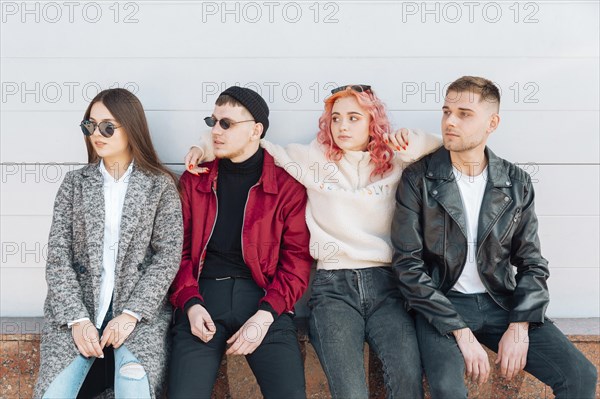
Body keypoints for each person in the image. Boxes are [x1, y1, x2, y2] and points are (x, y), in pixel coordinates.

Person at [185, 84, 442, 398]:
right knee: (350, 392)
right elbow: (250, 143)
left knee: (406, 381)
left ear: (372, 122)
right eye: (335, 118)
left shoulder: (396, 161)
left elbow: (451, 146)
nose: (342, 126)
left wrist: (412, 140)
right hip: (333, 285)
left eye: (353, 118)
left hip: (387, 284)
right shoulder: (311, 159)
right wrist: (203, 147)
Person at [391, 75, 598, 398]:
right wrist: (460, 331)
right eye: (446, 112)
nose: (450, 121)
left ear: (492, 123)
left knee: (581, 376)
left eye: (464, 113)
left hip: (500, 301)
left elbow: (531, 262)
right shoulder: (419, 179)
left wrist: (520, 325)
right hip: (441, 304)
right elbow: (407, 265)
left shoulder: (516, 182)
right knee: (448, 389)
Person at [34, 88, 183, 398]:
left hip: (139, 319)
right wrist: (77, 319)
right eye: (90, 125)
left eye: (107, 126)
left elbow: (167, 256)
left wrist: (131, 314)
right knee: (53, 394)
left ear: (131, 128)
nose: (96, 134)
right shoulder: (75, 183)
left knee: (134, 389)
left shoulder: (159, 185)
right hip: (74, 315)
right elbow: (58, 258)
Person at [168, 86, 313, 399]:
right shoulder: (195, 180)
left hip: (262, 298)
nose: (216, 131)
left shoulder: (286, 187)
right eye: (213, 121)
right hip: (202, 295)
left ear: (255, 131)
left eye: (227, 124)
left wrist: (265, 317)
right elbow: (174, 251)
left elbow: (298, 260)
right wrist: (190, 304)